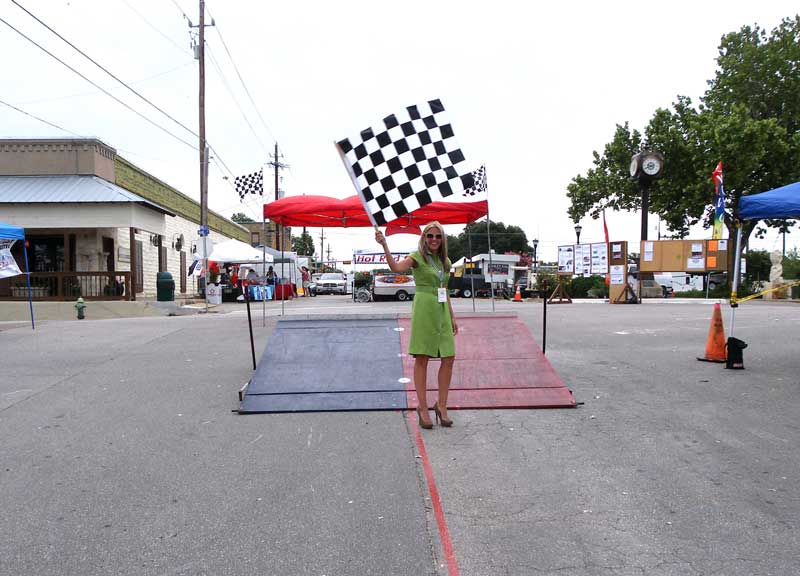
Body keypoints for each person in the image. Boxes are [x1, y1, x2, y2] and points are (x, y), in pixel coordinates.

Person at [375, 221, 457, 429]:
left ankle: (442, 405)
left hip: (442, 311)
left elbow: (444, 289)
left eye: (438, 236)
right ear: (424, 238)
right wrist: (384, 245)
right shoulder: (417, 256)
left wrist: (452, 315)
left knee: (448, 357)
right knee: (422, 357)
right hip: (424, 309)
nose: (434, 240)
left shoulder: (445, 261)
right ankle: (422, 407)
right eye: (430, 236)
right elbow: (395, 268)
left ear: (443, 239)